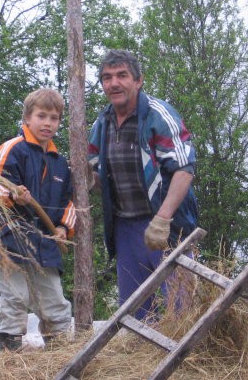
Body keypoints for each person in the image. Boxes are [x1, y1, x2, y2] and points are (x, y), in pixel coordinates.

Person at [88, 49, 198, 320]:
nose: (113, 83)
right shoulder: (101, 124)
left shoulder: (157, 115)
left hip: (167, 225)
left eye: (122, 76)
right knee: (135, 313)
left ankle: (186, 360)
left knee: (181, 310)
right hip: (125, 227)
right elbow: (95, 176)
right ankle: (143, 360)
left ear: (138, 81)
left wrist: (163, 219)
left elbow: (184, 169)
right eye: (107, 78)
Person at [0, 88, 77, 351]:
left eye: (54, 118)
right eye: (41, 116)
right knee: (13, 300)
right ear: (27, 118)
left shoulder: (61, 164)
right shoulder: (12, 149)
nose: (48, 123)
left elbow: (69, 203)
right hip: (8, 240)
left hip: (45, 243)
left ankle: (60, 363)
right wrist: (13, 194)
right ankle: (11, 365)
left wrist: (63, 227)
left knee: (56, 304)